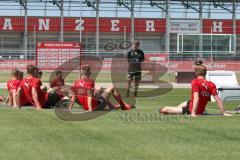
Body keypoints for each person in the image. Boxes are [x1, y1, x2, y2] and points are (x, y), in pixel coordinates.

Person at [160, 65, 232, 117]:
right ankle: (178, 108)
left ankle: (173, 110)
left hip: (190, 108)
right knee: (186, 103)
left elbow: (196, 98)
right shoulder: (211, 84)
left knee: (163, 109)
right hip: (192, 104)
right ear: (205, 73)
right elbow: (218, 100)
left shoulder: (195, 82)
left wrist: (193, 113)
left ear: (196, 73)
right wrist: (224, 112)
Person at [68, 65, 133, 112]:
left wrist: (70, 109)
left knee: (100, 89)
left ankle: (113, 107)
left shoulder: (76, 82)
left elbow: (74, 96)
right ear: (88, 72)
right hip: (96, 106)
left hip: (85, 107)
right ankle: (123, 106)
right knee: (112, 86)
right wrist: (90, 109)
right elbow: (89, 96)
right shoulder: (90, 82)